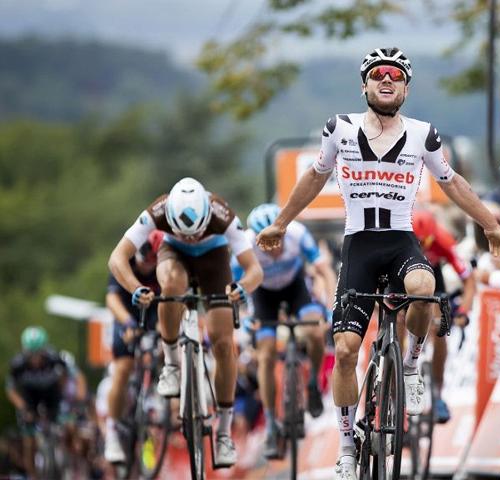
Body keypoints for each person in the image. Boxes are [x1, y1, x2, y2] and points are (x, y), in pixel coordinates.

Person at [254, 47, 500, 480]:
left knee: (424, 290)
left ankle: (410, 365)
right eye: (378, 75)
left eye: (395, 75)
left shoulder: (423, 135)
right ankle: (346, 447)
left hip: (400, 243)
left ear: (406, 88)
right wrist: (280, 223)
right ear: (364, 86)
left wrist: (491, 225)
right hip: (359, 247)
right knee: (346, 350)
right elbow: (314, 177)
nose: (386, 80)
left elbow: (453, 183)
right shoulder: (339, 129)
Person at [107, 177, 263, 466]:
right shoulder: (158, 210)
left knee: (223, 344)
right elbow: (117, 258)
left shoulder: (222, 214)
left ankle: (224, 433)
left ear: (207, 216)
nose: (191, 239)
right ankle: (171, 364)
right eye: (184, 234)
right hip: (174, 255)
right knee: (171, 285)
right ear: (169, 219)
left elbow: (254, 270)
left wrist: (243, 288)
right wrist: (135, 288)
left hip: (214, 258)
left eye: (196, 233)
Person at [238, 203, 334, 459]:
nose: (273, 248)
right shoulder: (245, 244)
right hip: (263, 295)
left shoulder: (298, 234)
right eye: (266, 243)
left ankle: (314, 384)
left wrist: (330, 308)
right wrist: (244, 317)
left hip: (295, 288)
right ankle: (271, 423)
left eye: (277, 240)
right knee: (266, 355)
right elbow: (235, 286)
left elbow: (324, 271)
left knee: (315, 332)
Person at [103, 230, 163, 463]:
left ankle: (158, 394)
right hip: (127, 315)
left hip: (153, 314)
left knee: (167, 347)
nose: (148, 267)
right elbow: (111, 299)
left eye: (153, 262)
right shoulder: (124, 260)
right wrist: (127, 322)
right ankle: (112, 431)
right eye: (144, 260)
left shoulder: (163, 266)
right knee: (123, 368)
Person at [411, 209, 476, 423]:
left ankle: (438, 393)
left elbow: (469, 280)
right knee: (400, 319)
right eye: (418, 242)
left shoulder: (443, 240)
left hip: (432, 276)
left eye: (426, 242)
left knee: (440, 327)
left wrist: (464, 311)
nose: (423, 246)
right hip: (402, 275)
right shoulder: (398, 236)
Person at [6, 327, 68, 478]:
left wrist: (61, 395)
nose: (35, 357)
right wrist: (23, 407)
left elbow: (64, 377)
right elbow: (11, 390)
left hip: (51, 395)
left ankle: (64, 462)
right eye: (31, 353)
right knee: (29, 441)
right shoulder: (17, 365)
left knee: (64, 425)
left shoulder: (55, 359)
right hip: (29, 398)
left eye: (38, 352)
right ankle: (33, 475)